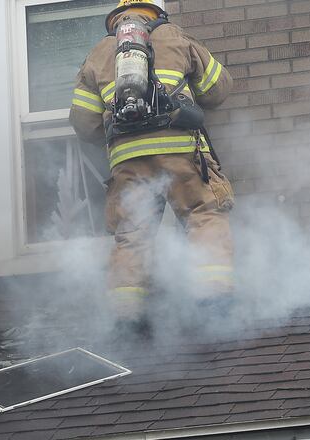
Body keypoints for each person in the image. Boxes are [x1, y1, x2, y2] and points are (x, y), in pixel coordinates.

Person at [69, 0, 235, 334]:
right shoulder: (174, 37)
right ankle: (214, 296)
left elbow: (84, 124)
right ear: (154, 14)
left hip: (127, 159)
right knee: (203, 215)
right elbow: (217, 90)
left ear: (114, 21)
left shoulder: (99, 53)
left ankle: (127, 314)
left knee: (131, 235)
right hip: (180, 150)